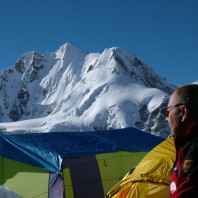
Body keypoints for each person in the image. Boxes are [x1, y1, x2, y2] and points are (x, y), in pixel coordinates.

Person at [161, 84, 198, 197]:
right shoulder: (185, 146)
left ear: (183, 112)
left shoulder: (195, 147)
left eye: (167, 112)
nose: (166, 119)